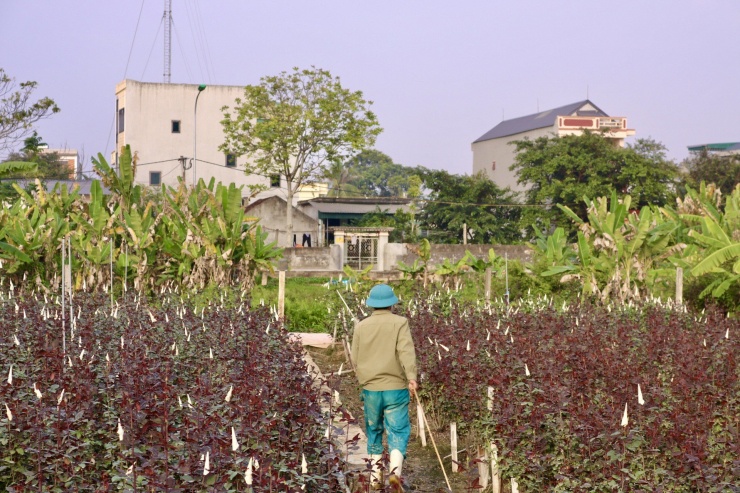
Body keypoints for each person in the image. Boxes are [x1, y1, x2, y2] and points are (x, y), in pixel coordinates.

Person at [351, 283, 417, 489]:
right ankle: (395, 476)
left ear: (372, 305)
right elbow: (406, 352)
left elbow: (355, 357)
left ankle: (375, 479)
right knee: (397, 431)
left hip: (371, 389)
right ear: (391, 304)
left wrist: (364, 379)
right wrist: (411, 377)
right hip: (395, 388)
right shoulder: (400, 323)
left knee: (374, 430)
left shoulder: (361, 326)